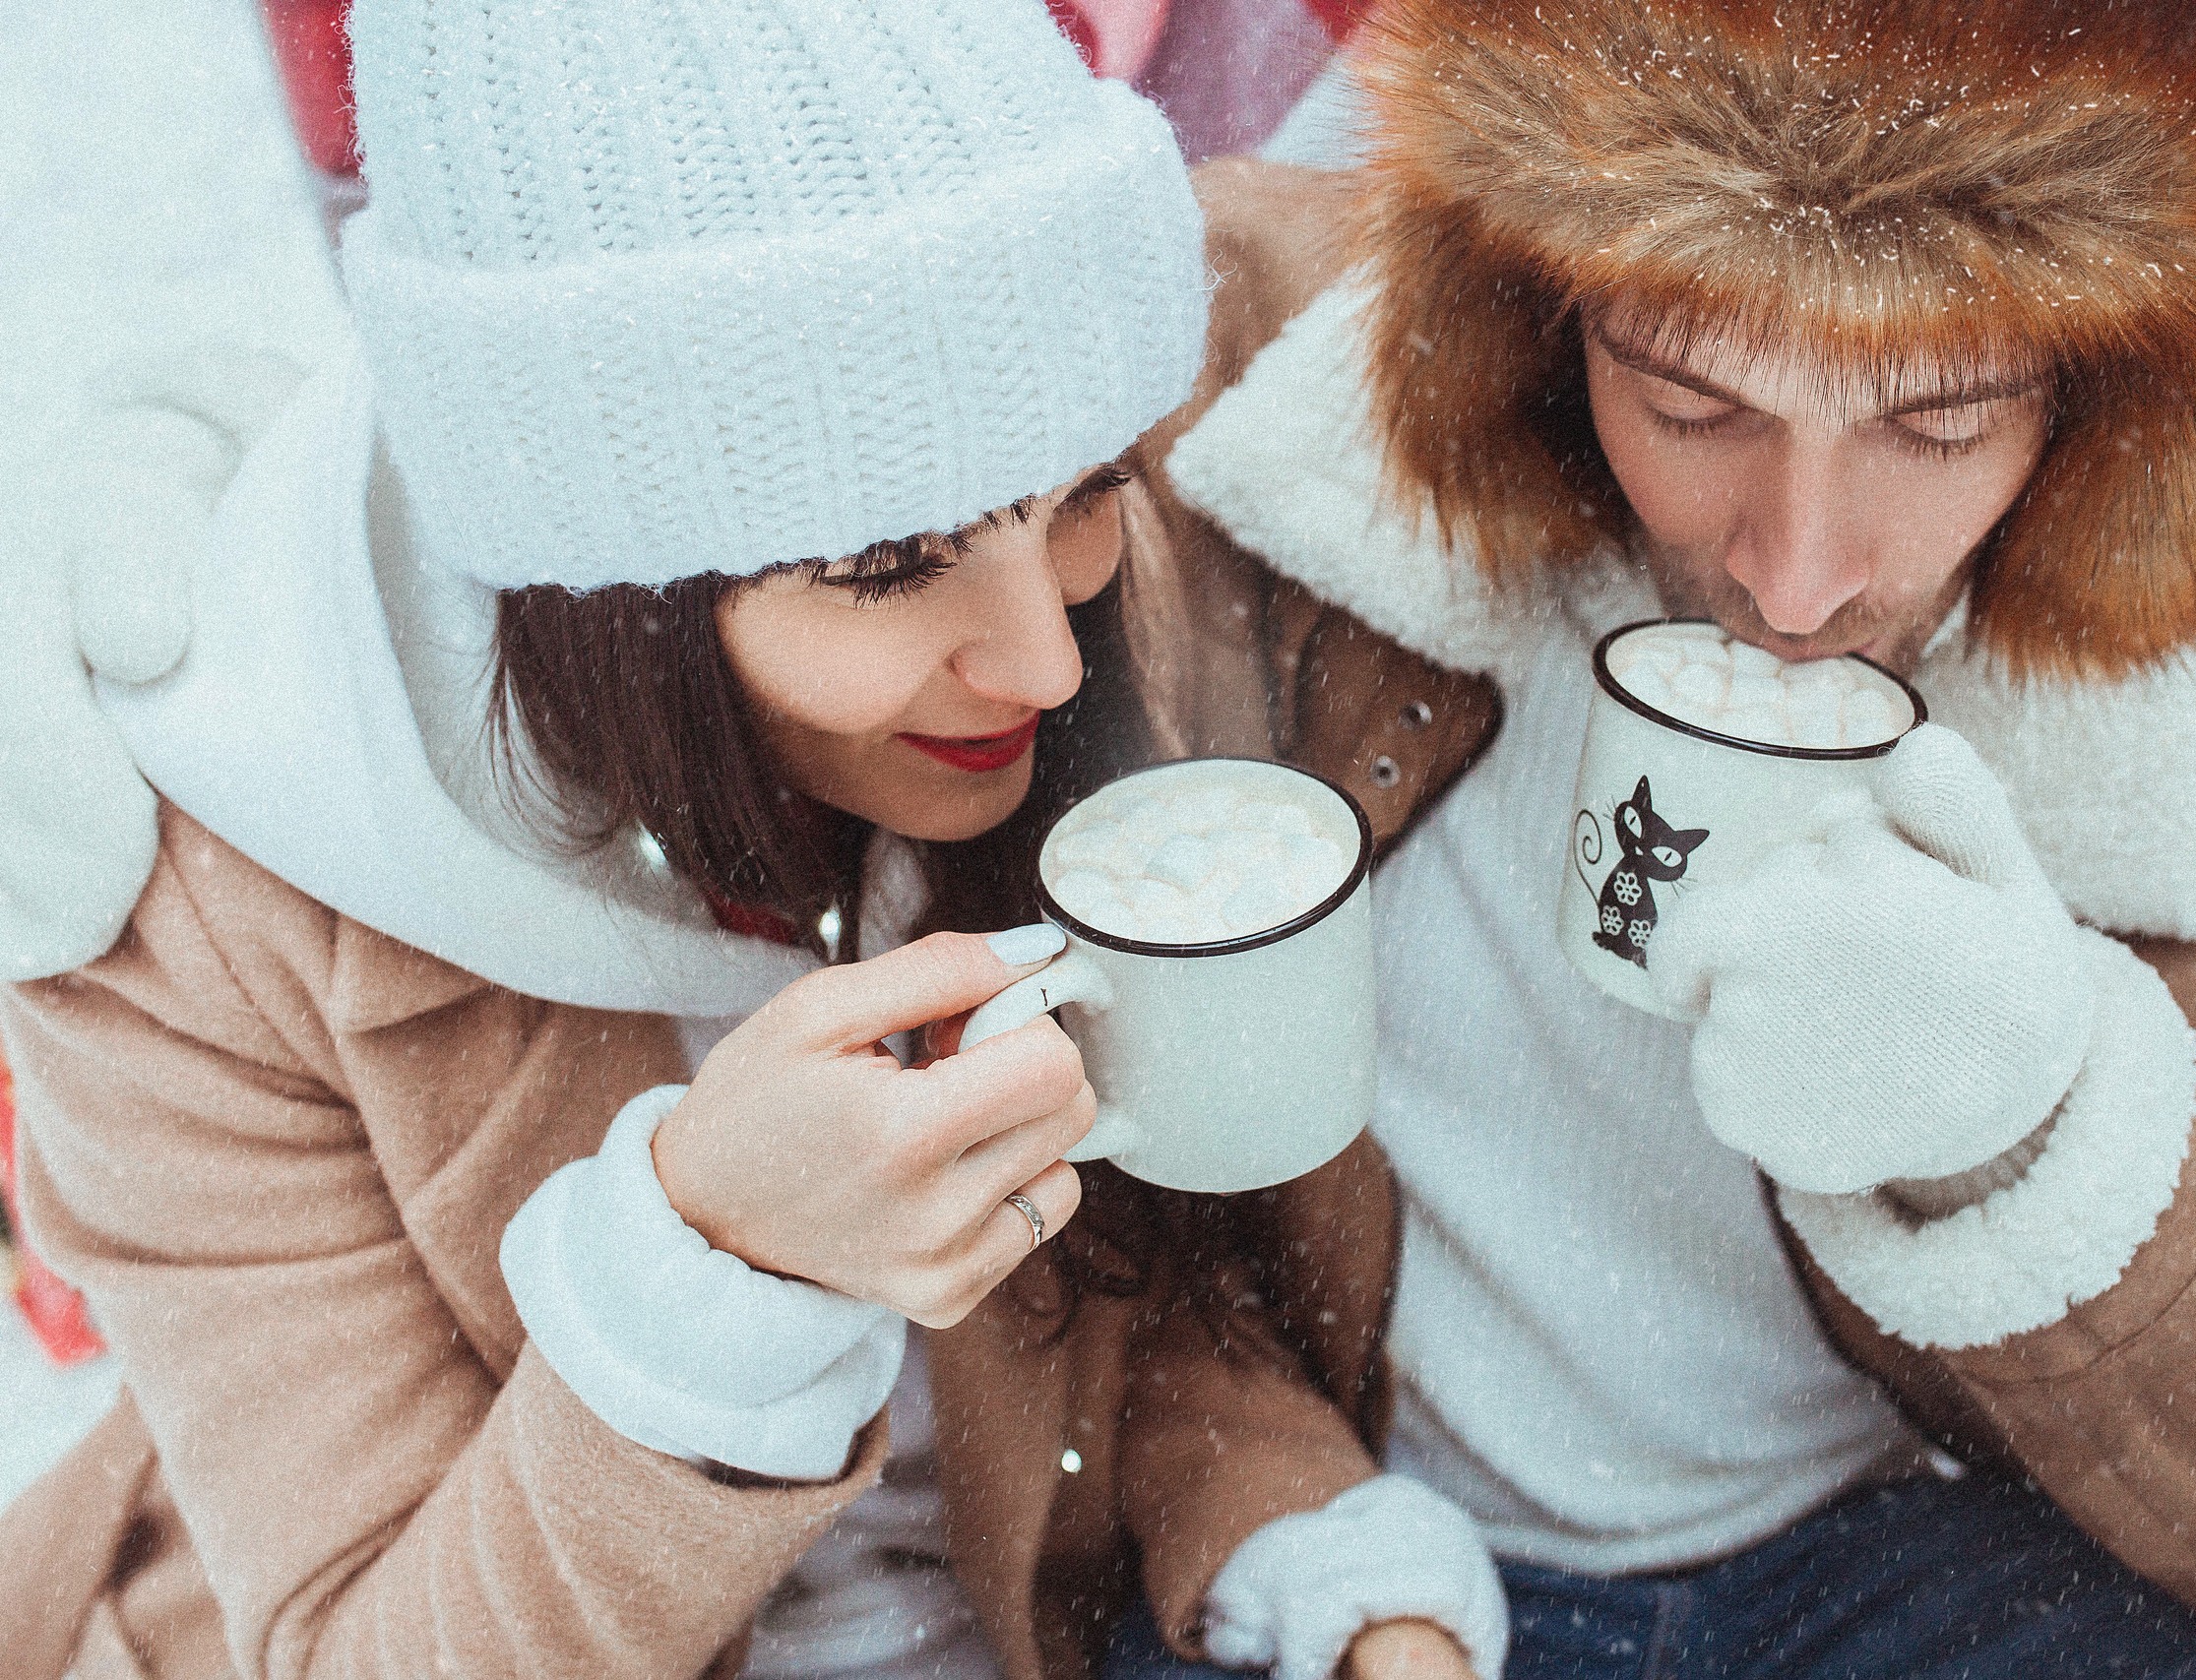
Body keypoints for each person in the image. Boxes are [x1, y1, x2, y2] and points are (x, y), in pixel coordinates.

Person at [1083, 0, 2196, 1676]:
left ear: (2098, 385)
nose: (1797, 574)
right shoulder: (1245, 392)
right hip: (1345, 1542)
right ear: (1544, 302)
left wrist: (2026, 1117)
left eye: (1935, 424)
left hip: (1882, 1565)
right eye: (1693, 403)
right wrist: (1313, 1542)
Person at [0, 0, 1360, 1674]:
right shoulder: (191, 916)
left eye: (1085, 488)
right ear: (600, 590)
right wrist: (721, 1280)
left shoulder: (1076, 627)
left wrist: (1335, 1571)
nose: (1047, 657)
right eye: (886, 567)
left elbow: (1157, 1325)